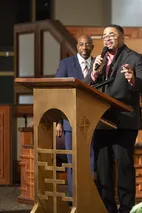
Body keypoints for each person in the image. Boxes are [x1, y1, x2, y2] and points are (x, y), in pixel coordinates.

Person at [84, 24, 142, 213]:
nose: (107, 39)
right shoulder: (97, 60)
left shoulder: (135, 58)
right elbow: (87, 87)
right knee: (103, 169)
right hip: (101, 120)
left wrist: (133, 79)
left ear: (122, 38)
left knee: (124, 168)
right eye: (104, 36)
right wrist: (95, 73)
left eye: (111, 35)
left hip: (124, 121)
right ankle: (107, 209)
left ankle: (126, 209)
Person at [55, 35, 95, 198]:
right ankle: (73, 195)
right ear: (76, 46)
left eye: (87, 45)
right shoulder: (66, 64)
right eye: (81, 44)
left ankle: (89, 193)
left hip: (92, 120)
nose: (84, 47)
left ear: (92, 47)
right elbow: (58, 92)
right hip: (69, 120)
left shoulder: (99, 64)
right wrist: (58, 121)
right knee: (73, 158)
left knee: (90, 158)